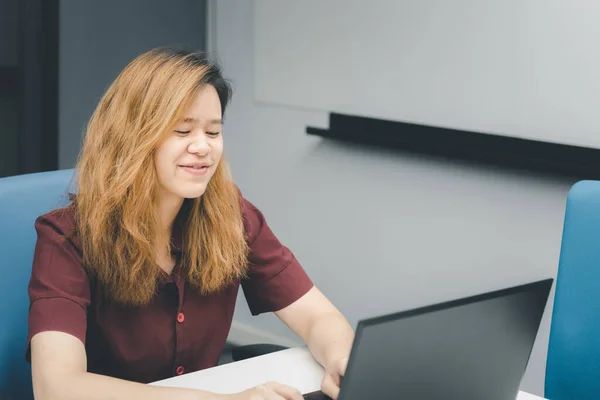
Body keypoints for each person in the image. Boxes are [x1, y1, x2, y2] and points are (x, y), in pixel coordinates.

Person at [27, 48, 354, 400]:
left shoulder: (231, 215)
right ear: (131, 137)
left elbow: (317, 316)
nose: (203, 147)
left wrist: (342, 358)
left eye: (213, 133)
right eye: (182, 130)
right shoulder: (66, 239)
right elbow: (56, 388)